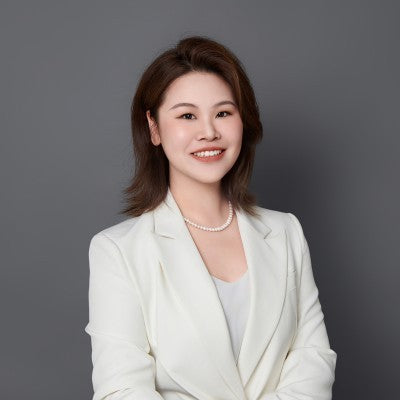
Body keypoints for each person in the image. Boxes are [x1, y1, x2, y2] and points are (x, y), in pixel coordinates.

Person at [84, 35, 337, 400]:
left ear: (243, 121)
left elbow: (313, 359)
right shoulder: (118, 250)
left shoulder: (285, 232)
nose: (209, 132)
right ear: (154, 128)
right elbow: (121, 390)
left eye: (223, 113)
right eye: (187, 115)